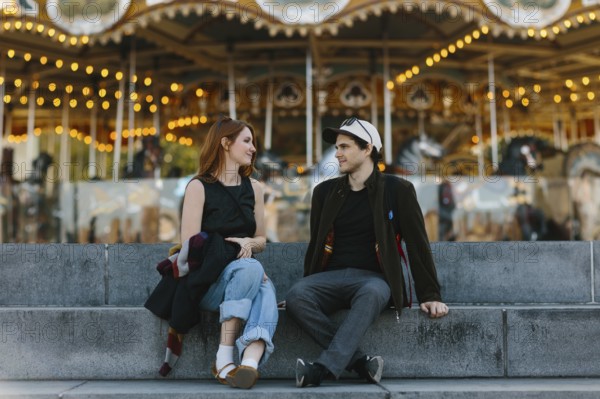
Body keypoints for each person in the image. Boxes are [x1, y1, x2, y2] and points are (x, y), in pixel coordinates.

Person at [285, 117, 449, 388]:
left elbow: (417, 244)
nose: (337, 153)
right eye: (337, 147)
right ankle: (361, 363)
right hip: (331, 277)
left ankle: (322, 369)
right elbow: (316, 246)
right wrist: (307, 285)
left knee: (372, 292)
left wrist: (430, 294)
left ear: (367, 149)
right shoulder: (324, 192)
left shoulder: (398, 190)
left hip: (374, 280)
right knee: (296, 295)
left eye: (345, 147)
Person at [145, 116, 278, 389]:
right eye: (247, 141)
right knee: (255, 273)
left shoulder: (255, 188)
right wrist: (236, 250)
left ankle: (248, 364)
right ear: (225, 143)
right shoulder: (198, 187)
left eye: (253, 142)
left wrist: (250, 244)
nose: (253, 148)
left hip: (243, 274)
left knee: (262, 285)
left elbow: (261, 238)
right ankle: (224, 356)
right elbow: (192, 246)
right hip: (208, 281)